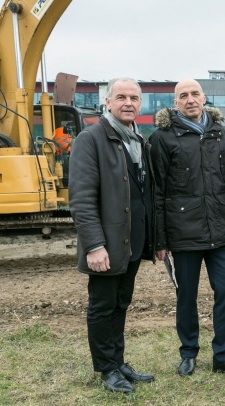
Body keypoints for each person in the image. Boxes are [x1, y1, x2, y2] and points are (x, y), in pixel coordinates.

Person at [149, 79, 225, 377]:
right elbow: (157, 192)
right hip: (183, 232)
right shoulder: (162, 138)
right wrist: (160, 240)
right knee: (186, 295)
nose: (190, 99)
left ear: (204, 98)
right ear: (175, 102)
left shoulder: (221, 133)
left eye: (195, 94)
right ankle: (189, 352)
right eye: (183, 96)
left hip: (221, 229)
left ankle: (223, 355)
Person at [69, 77, 155, 393]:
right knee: (102, 306)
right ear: (108, 102)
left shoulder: (138, 140)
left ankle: (118, 362)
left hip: (131, 243)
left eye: (134, 97)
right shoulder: (90, 140)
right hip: (106, 245)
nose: (128, 103)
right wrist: (94, 244)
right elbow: (81, 198)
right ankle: (106, 369)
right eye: (121, 97)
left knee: (121, 303)